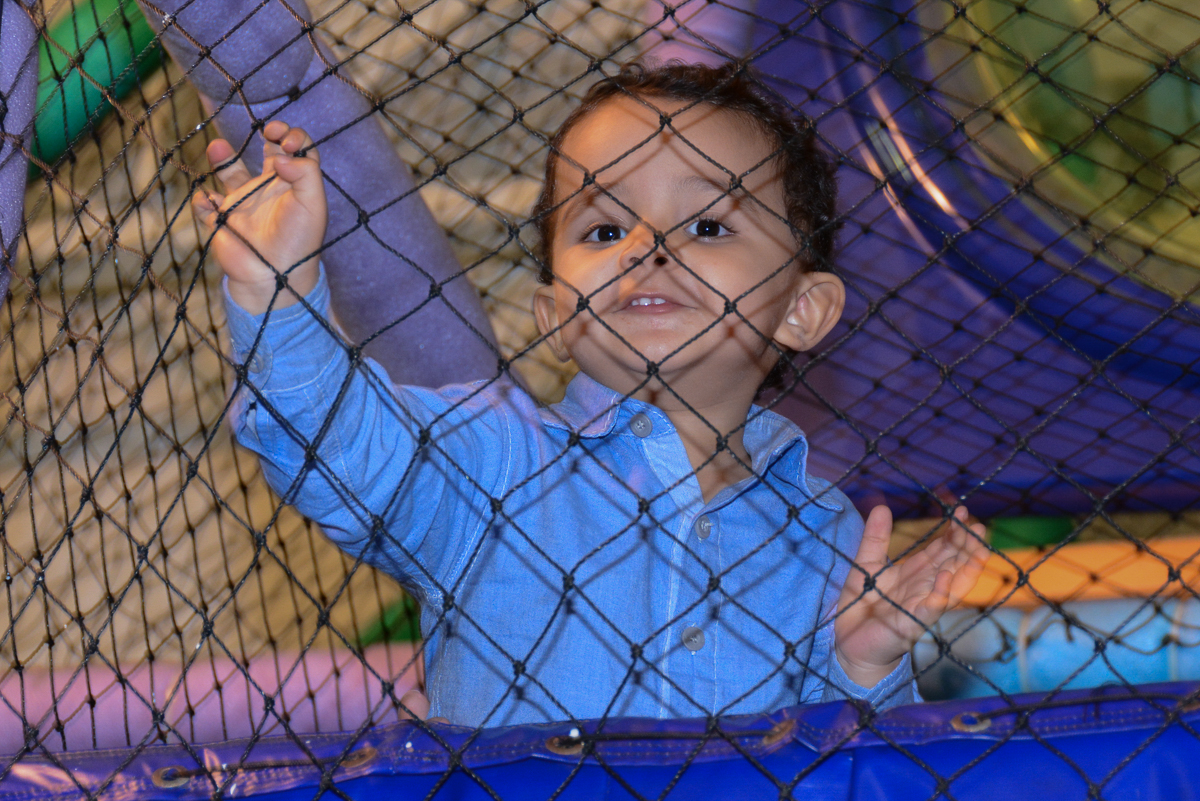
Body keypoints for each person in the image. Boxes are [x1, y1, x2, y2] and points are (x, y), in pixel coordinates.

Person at [193, 62, 988, 728]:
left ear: (801, 309)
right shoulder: (495, 460)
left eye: (708, 225)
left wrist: (862, 666)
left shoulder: (828, 538)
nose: (650, 247)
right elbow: (339, 448)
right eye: (605, 229)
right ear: (553, 314)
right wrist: (277, 296)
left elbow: (850, 768)